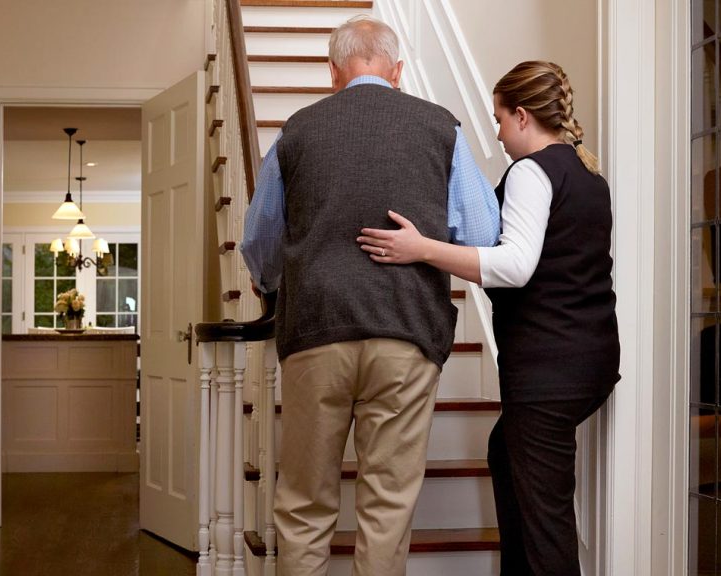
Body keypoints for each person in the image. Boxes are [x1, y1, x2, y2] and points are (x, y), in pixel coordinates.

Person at [240, 14, 500, 576]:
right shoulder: (441, 128)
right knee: (387, 509)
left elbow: (259, 239)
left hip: (315, 331)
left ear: (332, 71)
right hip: (406, 334)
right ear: (398, 70)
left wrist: (274, 288)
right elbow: (482, 235)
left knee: (304, 505)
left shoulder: (296, 131)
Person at [356, 60, 620, 575]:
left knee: (546, 521)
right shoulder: (588, 174)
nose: (497, 135)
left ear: (523, 116)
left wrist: (421, 249)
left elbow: (515, 267)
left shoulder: (531, 171)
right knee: (505, 452)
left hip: (550, 368)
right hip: (591, 358)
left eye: (499, 120)